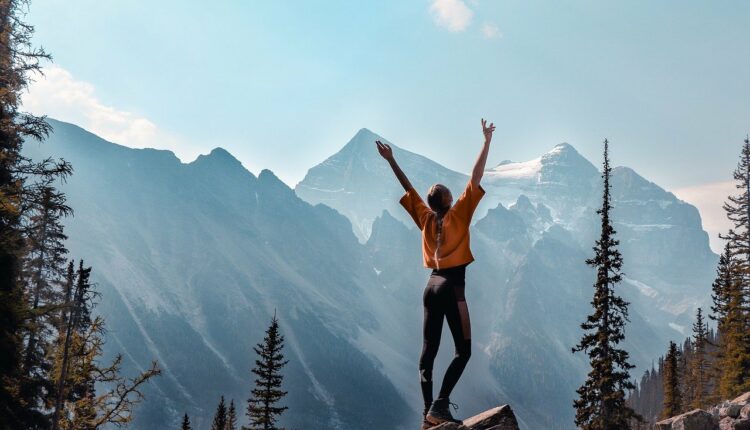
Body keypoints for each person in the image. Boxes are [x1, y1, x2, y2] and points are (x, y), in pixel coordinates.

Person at [375, 119, 495, 427]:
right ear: (449, 199)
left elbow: (408, 187)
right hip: (452, 286)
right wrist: (485, 141)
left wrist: (392, 161)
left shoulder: (425, 219)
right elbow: (476, 175)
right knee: (463, 351)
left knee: (428, 350)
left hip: (430, 286)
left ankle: (427, 413)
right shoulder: (459, 214)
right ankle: (440, 406)